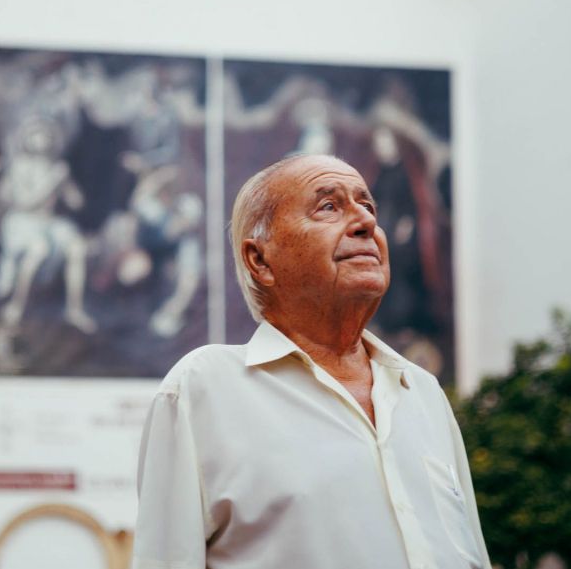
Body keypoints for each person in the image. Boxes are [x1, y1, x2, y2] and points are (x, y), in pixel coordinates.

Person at [133, 154, 491, 569]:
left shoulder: (423, 391)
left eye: (368, 207)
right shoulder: (205, 388)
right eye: (329, 207)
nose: (366, 223)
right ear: (260, 260)